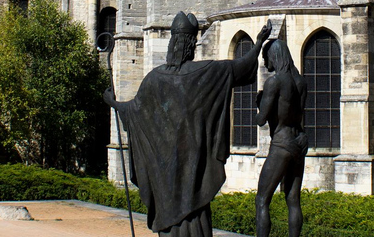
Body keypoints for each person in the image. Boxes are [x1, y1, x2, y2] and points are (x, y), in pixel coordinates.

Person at [103, 12, 271, 237]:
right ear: (191, 45)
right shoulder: (208, 72)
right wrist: (259, 42)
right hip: (195, 169)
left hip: (165, 175)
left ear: (172, 43)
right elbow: (243, 66)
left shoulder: (154, 79)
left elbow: (133, 111)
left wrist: (113, 102)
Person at [255, 39, 308, 237]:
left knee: (262, 200)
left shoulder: (274, 82)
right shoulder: (301, 81)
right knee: (293, 199)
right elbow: (298, 113)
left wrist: (260, 103)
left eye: (265, 58)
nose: (265, 64)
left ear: (273, 56)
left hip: (281, 143)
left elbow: (261, 120)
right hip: (299, 142)